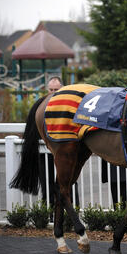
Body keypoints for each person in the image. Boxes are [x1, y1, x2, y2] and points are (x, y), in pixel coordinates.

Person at [39, 76, 80, 208]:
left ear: (62, 89)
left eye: (56, 89)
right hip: (45, 153)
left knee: (69, 181)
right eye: (51, 89)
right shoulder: (41, 106)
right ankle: (49, 211)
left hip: (64, 151)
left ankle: (73, 209)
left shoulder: (68, 107)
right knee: (47, 182)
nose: (53, 92)